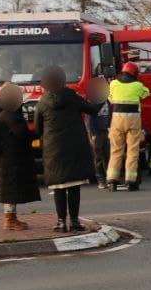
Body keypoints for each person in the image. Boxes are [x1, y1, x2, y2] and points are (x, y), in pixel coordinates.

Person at [34, 65, 102, 232]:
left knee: (58, 187)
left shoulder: (42, 102)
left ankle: (61, 222)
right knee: (73, 186)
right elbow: (93, 110)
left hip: (53, 150)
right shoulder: (72, 97)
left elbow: (37, 129)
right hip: (74, 147)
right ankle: (75, 221)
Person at [0, 83, 39, 231]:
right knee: (11, 187)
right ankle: (10, 220)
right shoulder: (11, 112)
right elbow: (21, 133)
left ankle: (11, 218)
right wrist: (38, 132)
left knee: (10, 186)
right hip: (13, 156)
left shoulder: (1, 110)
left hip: (7, 154)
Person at [106, 60, 149, 191]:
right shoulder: (138, 85)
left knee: (116, 150)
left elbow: (110, 99)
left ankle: (112, 181)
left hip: (117, 119)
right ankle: (131, 181)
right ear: (134, 73)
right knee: (132, 151)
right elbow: (145, 93)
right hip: (133, 119)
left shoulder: (113, 84)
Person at [83, 77, 110, 189]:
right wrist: (91, 134)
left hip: (106, 131)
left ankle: (109, 178)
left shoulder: (107, 100)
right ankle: (101, 179)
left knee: (108, 156)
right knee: (98, 157)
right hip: (97, 132)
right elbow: (89, 119)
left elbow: (111, 114)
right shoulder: (92, 100)